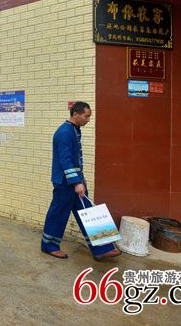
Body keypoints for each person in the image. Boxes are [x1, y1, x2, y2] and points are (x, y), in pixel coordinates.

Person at [40, 101, 121, 260]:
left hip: (75, 180)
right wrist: (77, 182)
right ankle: (49, 245)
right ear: (75, 114)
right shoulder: (64, 132)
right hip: (65, 182)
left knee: (87, 211)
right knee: (58, 214)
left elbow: (75, 158)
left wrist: (81, 178)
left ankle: (102, 248)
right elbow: (65, 160)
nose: (88, 120)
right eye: (86, 116)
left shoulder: (74, 129)